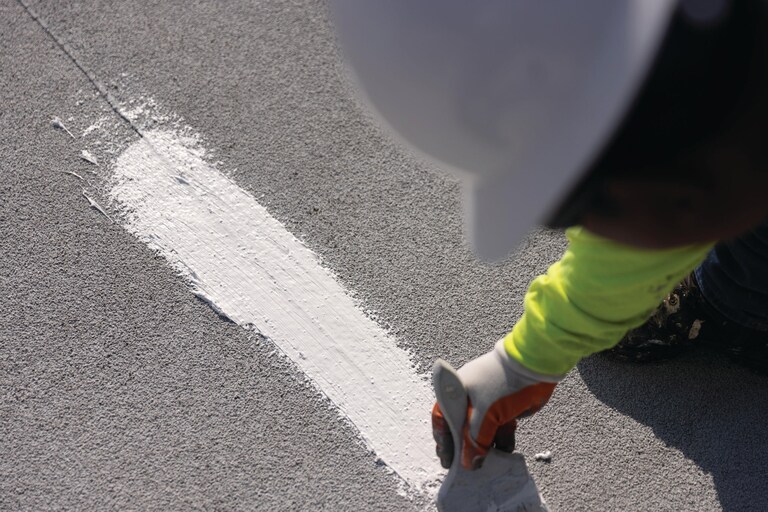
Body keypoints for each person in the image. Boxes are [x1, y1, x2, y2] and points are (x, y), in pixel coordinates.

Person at [332, 0, 768, 472]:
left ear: (684, 197)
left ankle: (738, 302)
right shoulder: (719, 97)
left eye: (582, 202)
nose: (591, 233)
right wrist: (526, 360)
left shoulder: (698, 171)